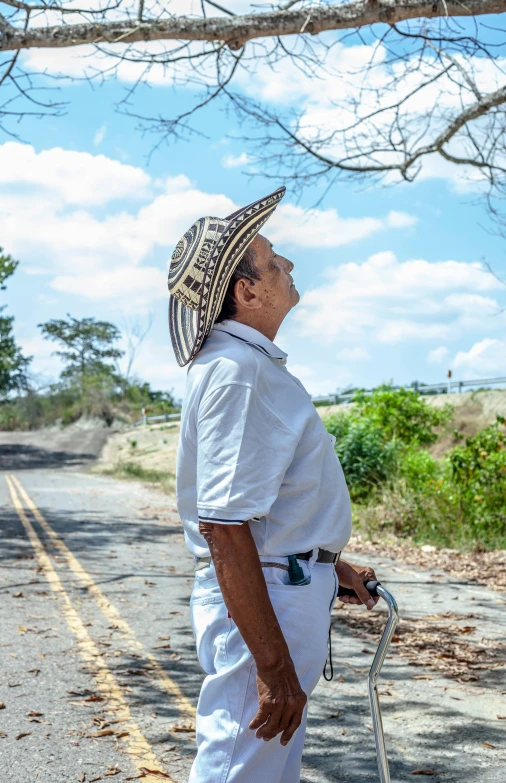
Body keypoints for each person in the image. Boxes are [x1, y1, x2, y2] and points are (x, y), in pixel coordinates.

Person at [167, 186, 378, 783]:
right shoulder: (240, 374)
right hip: (266, 605)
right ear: (247, 290)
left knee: (259, 771)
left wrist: (321, 561)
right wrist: (272, 666)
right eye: (274, 257)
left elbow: (255, 511)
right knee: (238, 770)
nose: (288, 263)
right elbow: (224, 526)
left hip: (278, 585)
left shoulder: (246, 366)